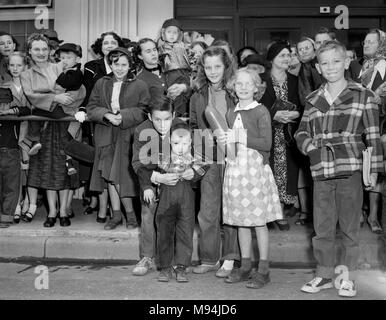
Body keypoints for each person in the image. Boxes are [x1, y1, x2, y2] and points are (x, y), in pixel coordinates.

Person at [295, 41, 383, 297]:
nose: (330, 66)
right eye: (325, 63)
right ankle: (323, 274)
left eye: (336, 61)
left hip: (351, 169)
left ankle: (348, 276)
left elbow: (374, 136)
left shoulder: (363, 94)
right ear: (318, 68)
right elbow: (301, 131)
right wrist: (309, 146)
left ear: (346, 62)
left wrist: (374, 170)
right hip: (321, 168)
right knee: (322, 227)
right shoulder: (313, 99)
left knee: (349, 227)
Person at [218, 67, 282, 288]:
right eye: (239, 84)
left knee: (258, 222)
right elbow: (230, 144)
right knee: (240, 221)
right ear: (233, 87)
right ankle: (245, 266)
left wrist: (240, 137)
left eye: (248, 84)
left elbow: (266, 143)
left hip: (254, 171)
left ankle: (263, 269)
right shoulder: (230, 113)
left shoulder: (261, 111)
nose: (244, 88)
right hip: (235, 171)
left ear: (256, 88)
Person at [20, 33, 86, 227]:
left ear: (50, 51)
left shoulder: (60, 66)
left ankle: (64, 210)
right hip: (44, 128)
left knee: (66, 169)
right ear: (29, 52)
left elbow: (80, 88)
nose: (41, 53)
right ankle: (52, 211)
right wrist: (55, 98)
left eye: (44, 49)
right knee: (48, 170)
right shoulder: (26, 75)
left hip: (66, 125)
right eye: (36, 49)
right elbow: (32, 97)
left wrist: (70, 102)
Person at [190, 46, 240, 278]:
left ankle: (230, 258)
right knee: (208, 211)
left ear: (226, 66)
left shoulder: (236, 91)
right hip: (209, 158)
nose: (212, 71)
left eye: (217, 66)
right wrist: (200, 141)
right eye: (208, 67)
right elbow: (191, 126)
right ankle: (209, 258)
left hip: (234, 158)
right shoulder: (198, 95)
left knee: (232, 210)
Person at [87, 47, 150, 230]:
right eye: (116, 64)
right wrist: (106, 115)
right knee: (108, 175)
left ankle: (129, 214)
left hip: (127, 134)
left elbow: (145, 110)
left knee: (121, 175)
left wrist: (123, 115)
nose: (120, 68)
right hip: (106, 133)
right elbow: (91, 107)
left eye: (124, 64)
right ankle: (116, 215)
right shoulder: (101, 83)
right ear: (111, 64)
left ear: (130, 64)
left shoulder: (139, 85)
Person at [131, 96, 185, 276]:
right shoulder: (141, 130)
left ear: (174, 115)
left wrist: (175, 175)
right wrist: (152, 181)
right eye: (157, 120)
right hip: (150, 176)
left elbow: (189, 156)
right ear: (149, 117)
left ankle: (177, 259)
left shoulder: (181, 128)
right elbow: (138, 162)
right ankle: (147, 256)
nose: (163, 125)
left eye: (167, 119)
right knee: (147, 211)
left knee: (176, 216)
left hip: (175, 176)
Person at [155, 121, 208, 282]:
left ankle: (182, 266)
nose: (181, 147)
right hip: (166, 199)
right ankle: (165, 267)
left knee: (185, 232)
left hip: (186, 200)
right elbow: (151, 170)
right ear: (169, 141)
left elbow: (205, 165)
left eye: (185, 143)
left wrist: (193, 172)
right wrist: (160, 177)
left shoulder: (193, 158)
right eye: (176, 143)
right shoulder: (162, 157)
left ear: (191, 142)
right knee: (164, 232)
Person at [82, 31, 124, 222]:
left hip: (121, 125)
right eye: (105, 42)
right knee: (101, 166)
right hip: (101, 122)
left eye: (113, 42)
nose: (109, 45)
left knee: (116, 168)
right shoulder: (92, 67)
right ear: (101, 46)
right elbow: (91, 97)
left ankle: (117, 210)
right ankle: (101, 206)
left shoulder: (126, 68)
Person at [260, 41, 301, 230]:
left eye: (289, 55)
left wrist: (296, 114)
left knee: (287, 174)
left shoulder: (295, 79)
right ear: (272, 58)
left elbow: (303, 105)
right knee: (267, 174)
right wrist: (273, 115)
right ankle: (268, 214)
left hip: (288, 135)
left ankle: (281, 212)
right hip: (266, 134)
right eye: (282, 55)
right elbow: (253, 107)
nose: (287, 58)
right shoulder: (260, 79)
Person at [358, 29, 386, 233]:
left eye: (371, 42)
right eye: (365, 42)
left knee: (376, 168)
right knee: (360, 166)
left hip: (380, 124)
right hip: (360, 123)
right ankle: (359, 211)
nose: (366, 45)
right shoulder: (362, 67)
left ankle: (373, 215)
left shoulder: (385, 65)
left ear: (381, 44)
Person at [0, 52, 31, 228]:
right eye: (12, 65)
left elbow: (32, 107)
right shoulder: (4, 86)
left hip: (29, 134)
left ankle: (27, 204)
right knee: (11, 174)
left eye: (19, 65)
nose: (15, 68)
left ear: (26, 66)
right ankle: (14, 208)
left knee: (27, 172)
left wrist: (11, 111)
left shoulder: (32, 86)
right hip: (10, 135)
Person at [134, 38, 192, 121]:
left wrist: (184, 88)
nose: (153, 54)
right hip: (161, 124)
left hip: (185, 120)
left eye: (154, 50)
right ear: (140, 56)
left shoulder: (172, 68)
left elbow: (193, 91)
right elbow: (143, 110)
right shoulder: (139, 80)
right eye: (148, 51)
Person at [157, 18, 191, 118]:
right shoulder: (159, 50)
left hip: (183, 80)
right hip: (167, 81)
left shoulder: (184, 49)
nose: (172, 35)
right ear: (163, 33)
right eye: (169, 32)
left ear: (180, 34)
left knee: (181, 106)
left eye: (175, 32)